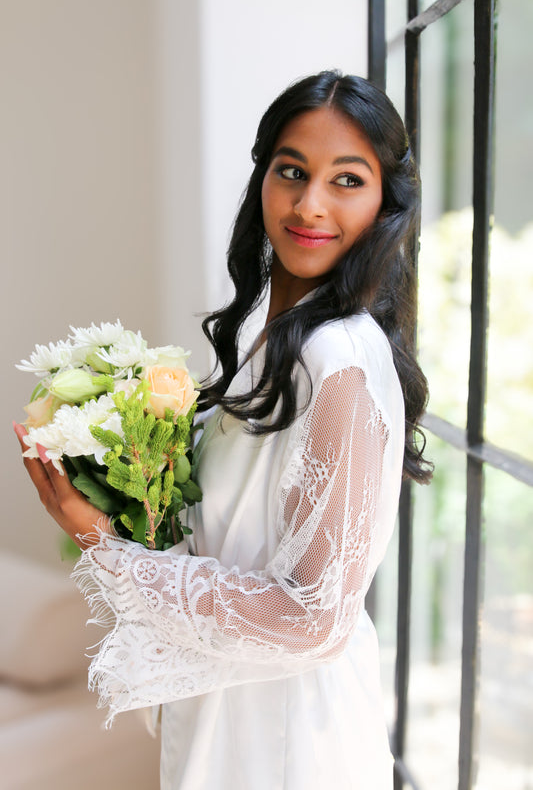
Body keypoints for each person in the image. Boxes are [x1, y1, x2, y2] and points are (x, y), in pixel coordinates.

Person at [14, 70, 432, 789]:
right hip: (228, 713)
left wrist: (105, 548)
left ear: (386, 203)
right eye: (291, 171)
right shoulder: (266, 334)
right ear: (262, 175)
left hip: (289, 741)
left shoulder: (337, 357)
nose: (309, 204)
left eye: (346, 180)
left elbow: (314, 618)